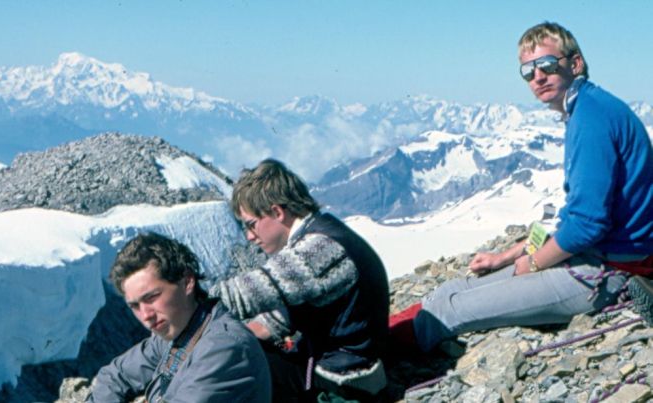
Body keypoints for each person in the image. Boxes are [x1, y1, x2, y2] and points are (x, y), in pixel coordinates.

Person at [390, 21, 653, 353]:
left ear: (575, 63)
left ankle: (360, 357)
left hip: (606, 271)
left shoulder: (591, 119)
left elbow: (588, 225)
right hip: (592, 256)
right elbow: (578, 217)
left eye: (546, 65)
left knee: (447, 310)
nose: (537, 77)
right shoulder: (587, 107)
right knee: (447, 291)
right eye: (527, 72)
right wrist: (509, 256)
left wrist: (532, 264)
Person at [209, 159, 390, 402]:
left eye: (252, 225)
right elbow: (274, 322)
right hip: (345, 370)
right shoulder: (321, 233)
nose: (250, 237)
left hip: (341, 380)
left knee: (232, 367)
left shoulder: (319, 250)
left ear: (277, 212)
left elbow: (242, 295)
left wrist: (180, 304)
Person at [87, 232, 271, 403]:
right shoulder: (178, 332)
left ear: (187, 282)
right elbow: (115, 375)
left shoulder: (224, 348)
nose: (145, 316)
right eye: (135, 306)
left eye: (152, 297)